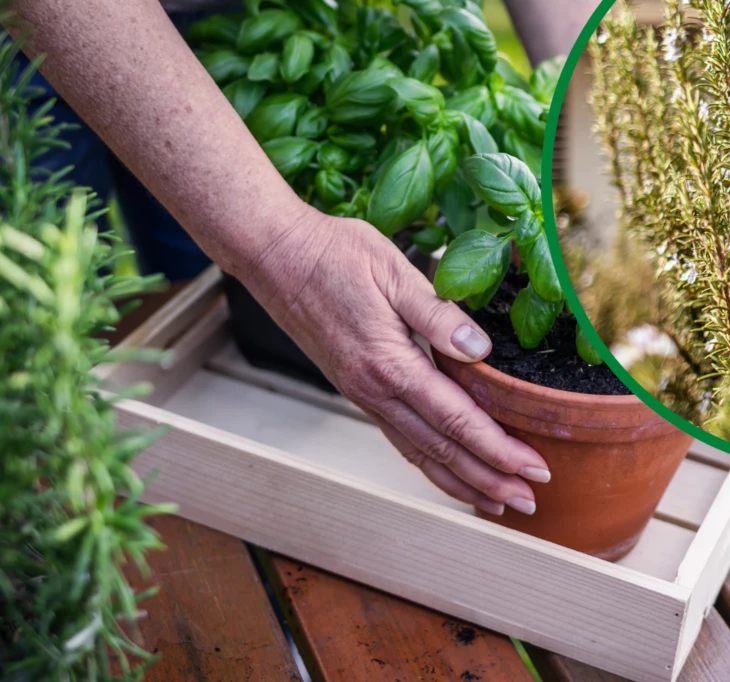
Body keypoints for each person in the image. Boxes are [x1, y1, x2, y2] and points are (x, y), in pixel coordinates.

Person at [6, 0, 599, 517]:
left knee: (190, 282)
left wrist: (597, 115)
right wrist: (278, 243)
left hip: (233, 20)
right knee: (45, 362)